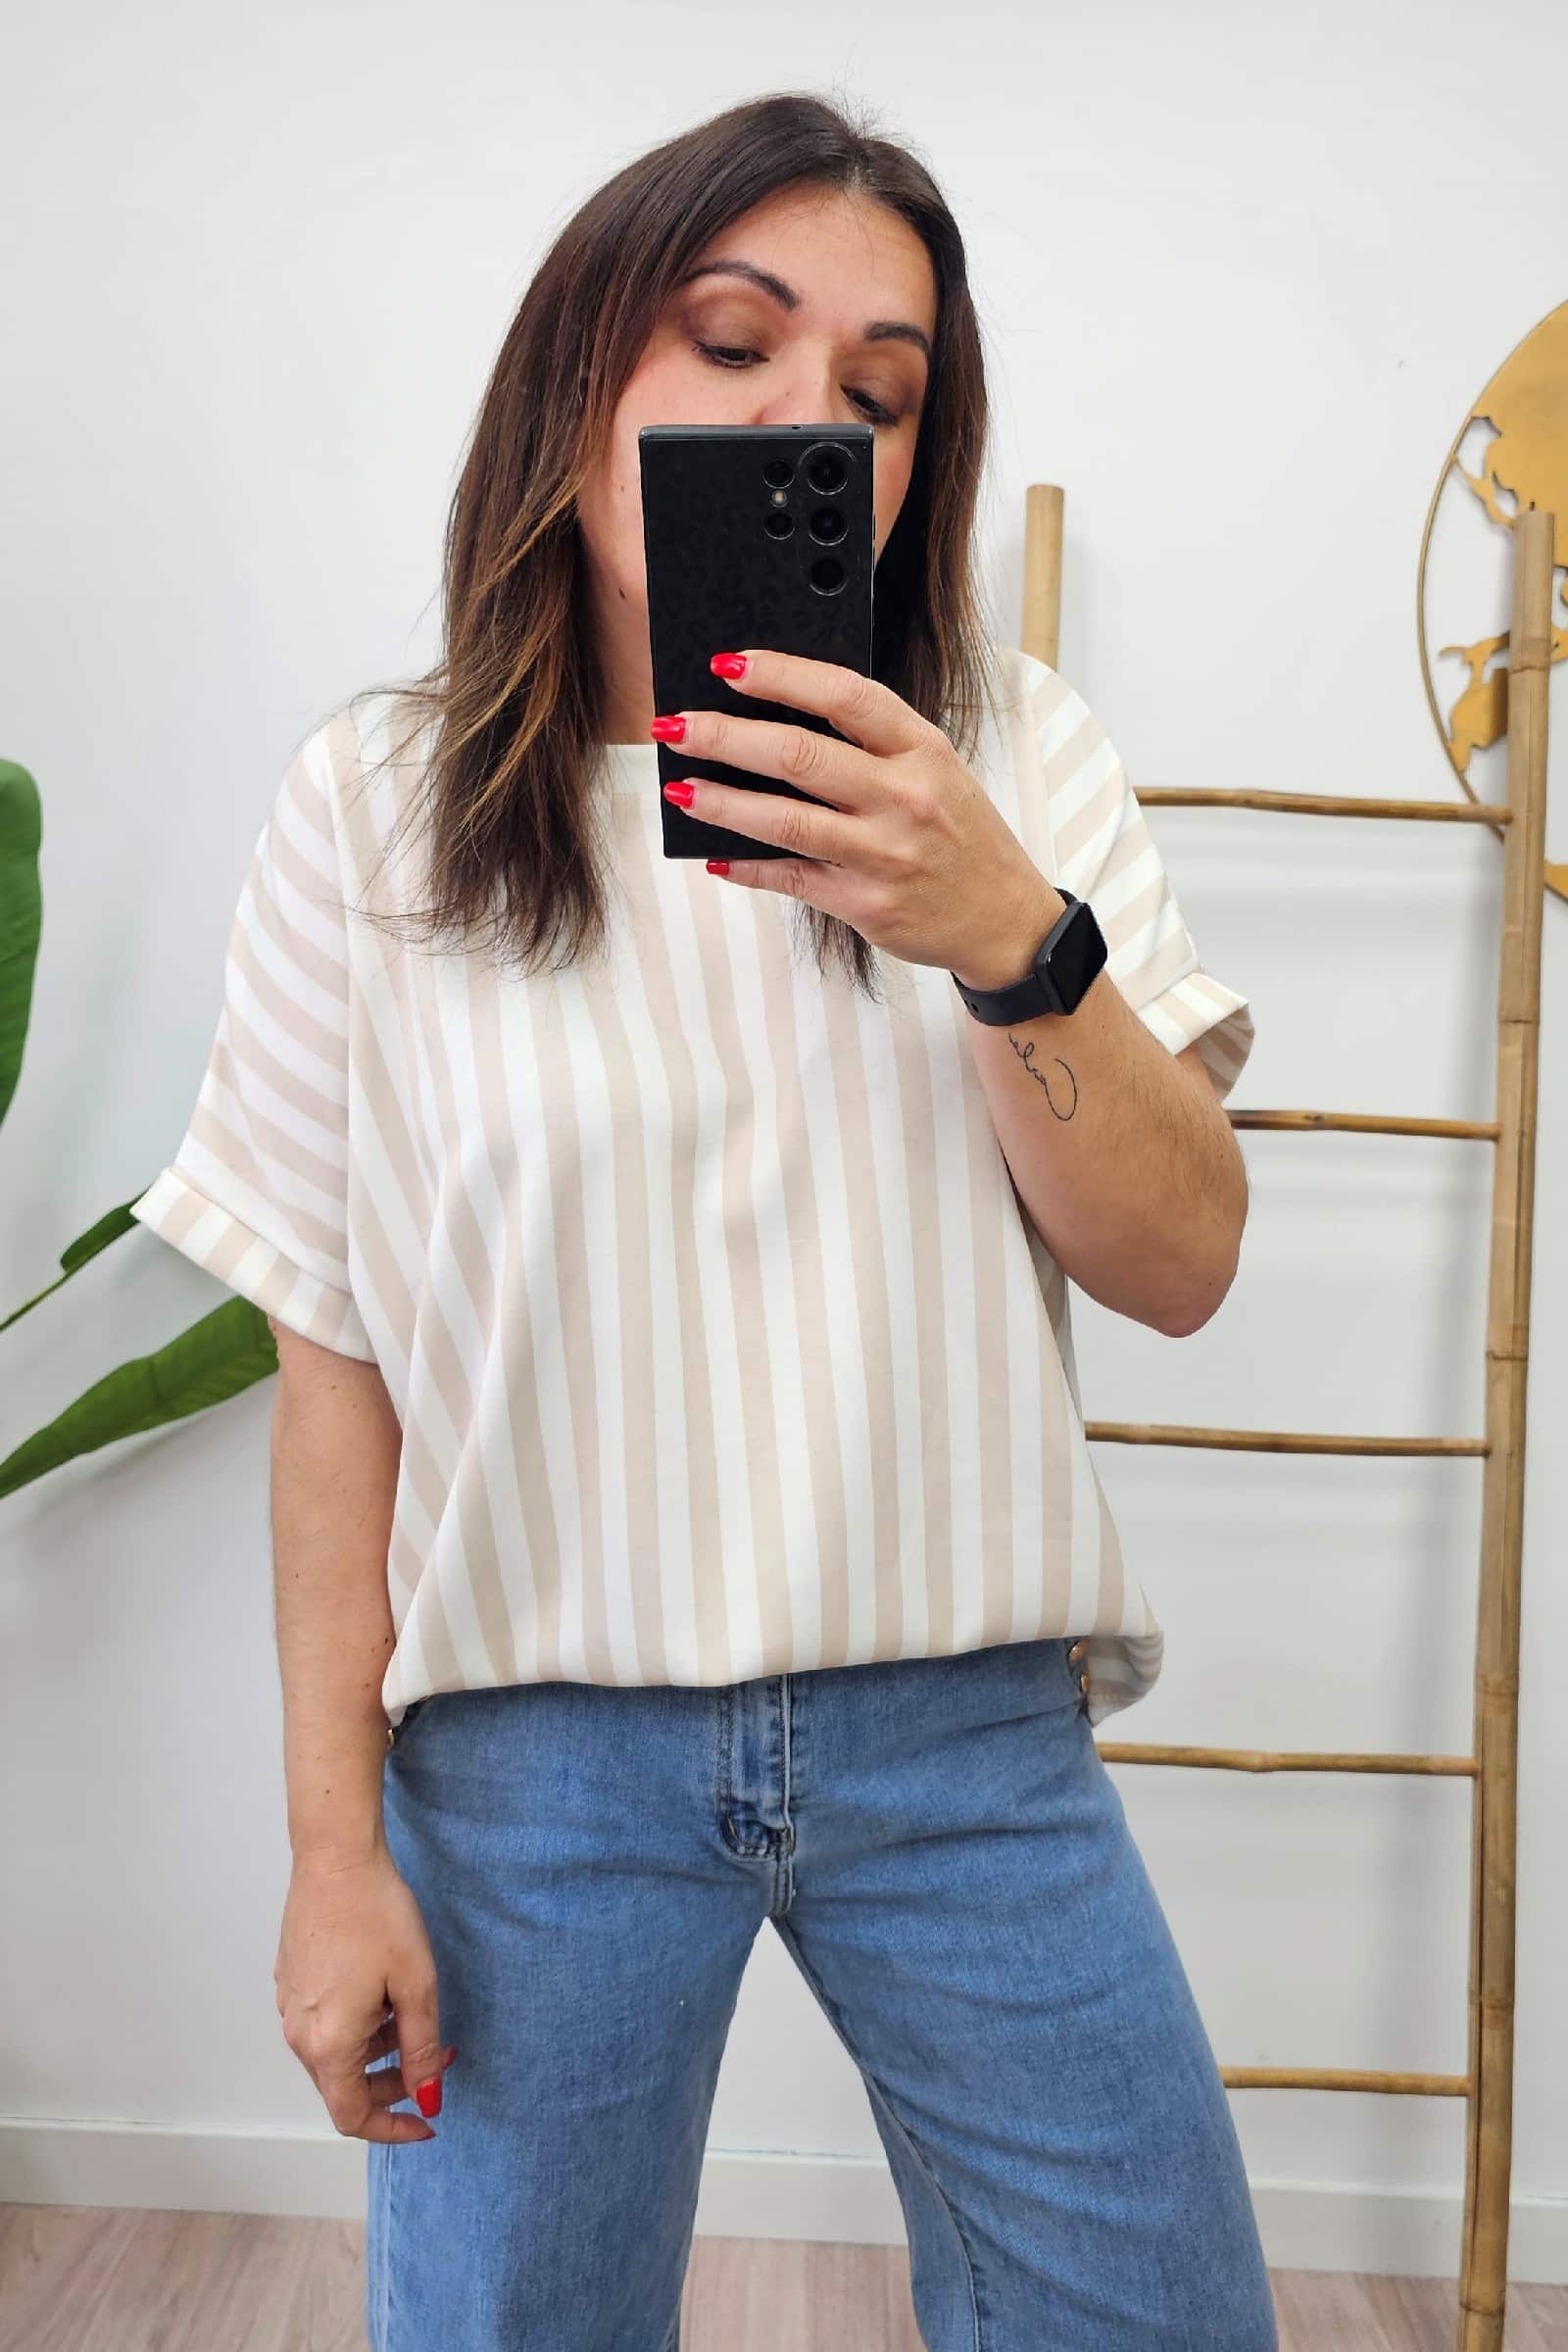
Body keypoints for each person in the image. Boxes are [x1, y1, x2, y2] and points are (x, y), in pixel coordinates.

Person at [132, 88, 1276, 2352]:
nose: (805, 422)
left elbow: (1179, 1266)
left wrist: (1002, 933)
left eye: (876, 391)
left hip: (960, 1740)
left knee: (1150, 2315)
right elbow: (332, 1371)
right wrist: (333, 1853)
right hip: (532, 1768)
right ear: (576, 382)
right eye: (732, 345)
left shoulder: (1011, 762)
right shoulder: (374, 811)